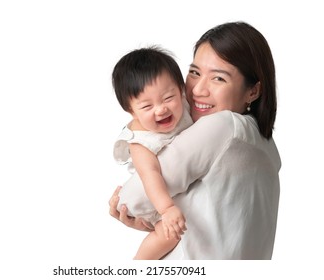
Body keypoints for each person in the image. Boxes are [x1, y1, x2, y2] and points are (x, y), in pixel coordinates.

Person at [109, 21, 281, 259]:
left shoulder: (222, 126)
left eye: (218, 79)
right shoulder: (266, 146)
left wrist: (132, 209)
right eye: (194, 73)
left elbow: (132, 199)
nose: (198, 89)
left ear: (253, 91)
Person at [112, 46, 193, 259]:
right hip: (155, 196)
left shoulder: (185, 106)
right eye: (147, 106)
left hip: (181, 182)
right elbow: (150, 175)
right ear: (131, 111)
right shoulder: (140, 141)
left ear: (181, 89)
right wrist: (166, 210)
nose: (161, 109)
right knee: (168, 235)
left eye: (168, 98)